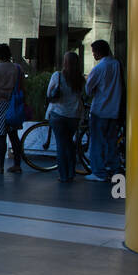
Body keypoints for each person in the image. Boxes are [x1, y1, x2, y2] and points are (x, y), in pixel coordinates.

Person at [84, 39, 123, 182]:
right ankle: (114, 169)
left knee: (96, 142)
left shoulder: (99, 68)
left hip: (99, 110)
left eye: (94, 51)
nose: (93, 54)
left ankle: (99, 172)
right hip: (114, 110)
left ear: (99, 52)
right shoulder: (117, 65)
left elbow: (88, 90)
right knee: (111, 142)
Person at [0, 43, 26, 174]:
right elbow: (22, 87)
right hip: (15, 105)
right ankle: (17, 164)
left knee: (0, 136)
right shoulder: (17, 68)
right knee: (14, 136)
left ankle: (0, 166)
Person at [46, 50, 86, 183]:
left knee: (61, 145)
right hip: (74, 115)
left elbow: (49, 94)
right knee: (69, 144)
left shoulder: (57, 75)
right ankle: (71, 173)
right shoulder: (80, 79)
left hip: (58, 114)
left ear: (65, 62)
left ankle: (63, 175)